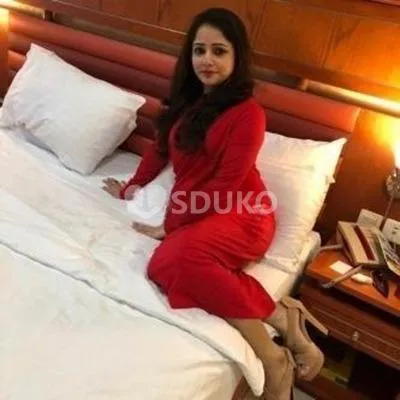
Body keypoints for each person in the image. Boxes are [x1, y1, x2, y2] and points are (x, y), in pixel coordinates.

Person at [103, 8, 327, 399]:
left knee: (180, 259)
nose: (207, 60)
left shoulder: (248, 114)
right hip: (201, 210)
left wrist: (170, 226)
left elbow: (225, 185)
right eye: (199, 50)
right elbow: (159, 151)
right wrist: (130, 188)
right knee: (163, 264)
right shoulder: (185, 102)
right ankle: (281, 316)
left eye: (219, 51)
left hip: (244, 212)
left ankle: (272, 356)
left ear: (237, 57)